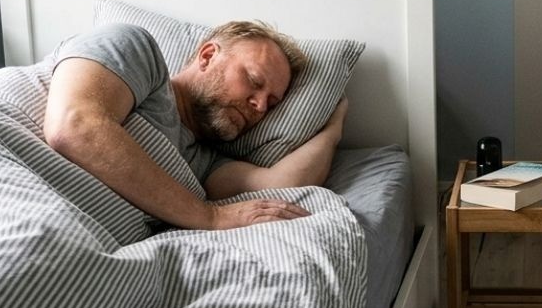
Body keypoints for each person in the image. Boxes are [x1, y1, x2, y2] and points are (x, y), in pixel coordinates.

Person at [44, 21, 348, 230]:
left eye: (271, 103)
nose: (259, 106)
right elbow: (74, 125)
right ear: (207, 56)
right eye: (254, 82)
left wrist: (334, 128)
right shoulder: (137, 50)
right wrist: (209, 216)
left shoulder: (202, 164)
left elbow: (283, 186)